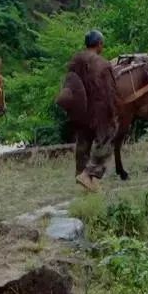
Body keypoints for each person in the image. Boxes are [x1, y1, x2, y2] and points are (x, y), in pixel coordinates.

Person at [56, 30, 117, 192]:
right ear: (99, 44)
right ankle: (89, 174)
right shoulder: (103, 64)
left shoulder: (75, 60)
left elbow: (71, 82)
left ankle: (81, 175)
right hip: (98, 111)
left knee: (83, 142)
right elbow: (110, 91)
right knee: (107, 138)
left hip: (80, 110)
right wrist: (111, 113)